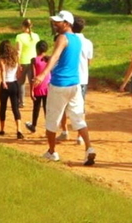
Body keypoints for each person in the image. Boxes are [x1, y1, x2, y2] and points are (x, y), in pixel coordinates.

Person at [33, 10, 96, 165]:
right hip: (74, 84)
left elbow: (55, 56)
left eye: (58, 22)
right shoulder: (77, 40)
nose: (55, 24)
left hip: (59, 84)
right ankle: (89, 148)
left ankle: (52, 151)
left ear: (67, 23)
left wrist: (42, 75)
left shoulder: (62, 38)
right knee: (78, 118)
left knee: (52, 120)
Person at [56, 16, 93, 145]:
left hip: (68, 77)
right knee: (80, 107)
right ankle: (80, 136)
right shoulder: (88, 42)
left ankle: (65, 131)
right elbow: (89, 61)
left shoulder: (68, 39)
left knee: (63, 105)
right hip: (82, 78)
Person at [0, 40, 24, 139]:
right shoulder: (16, 57)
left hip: (6, 83)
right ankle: (19, 129)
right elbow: (19, 71)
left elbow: (2, 70)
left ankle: (2, 129)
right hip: (14, 83)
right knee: (15, 108)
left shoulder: (2, 58)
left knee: (3, 107)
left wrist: (3, 82)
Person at [25, 40, 51, 133]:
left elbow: (33, 76)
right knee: (46, 108)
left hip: (38, 86)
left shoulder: (34, 60)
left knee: (36, 107)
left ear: (37, 49)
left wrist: (32, 90)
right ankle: (49, 128)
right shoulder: (49, 59)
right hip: (48, 86)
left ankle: (34, 125)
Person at [15, 19, 40, 108]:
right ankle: (36, 100)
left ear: (23, 26)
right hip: (33, 61)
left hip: (23, 61)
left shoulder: (19, 36)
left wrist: (18, 64)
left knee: (21, 83)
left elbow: (18, 51)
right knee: (33, 82)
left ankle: (21, 102)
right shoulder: (36, 36)